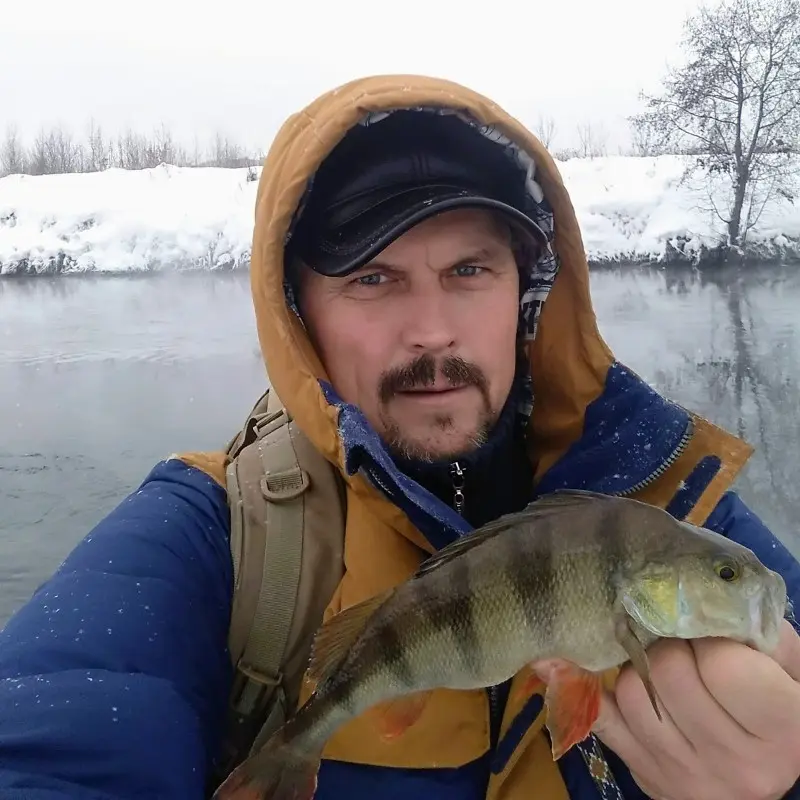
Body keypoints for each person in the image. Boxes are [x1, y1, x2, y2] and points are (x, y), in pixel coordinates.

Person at [1, 74, 799, 800]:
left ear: (527, 295)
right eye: (372, 279)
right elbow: (50, 742)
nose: (431, 331)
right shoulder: (214, 539)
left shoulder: (685, 507)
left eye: (470, 271)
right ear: (298, 316)